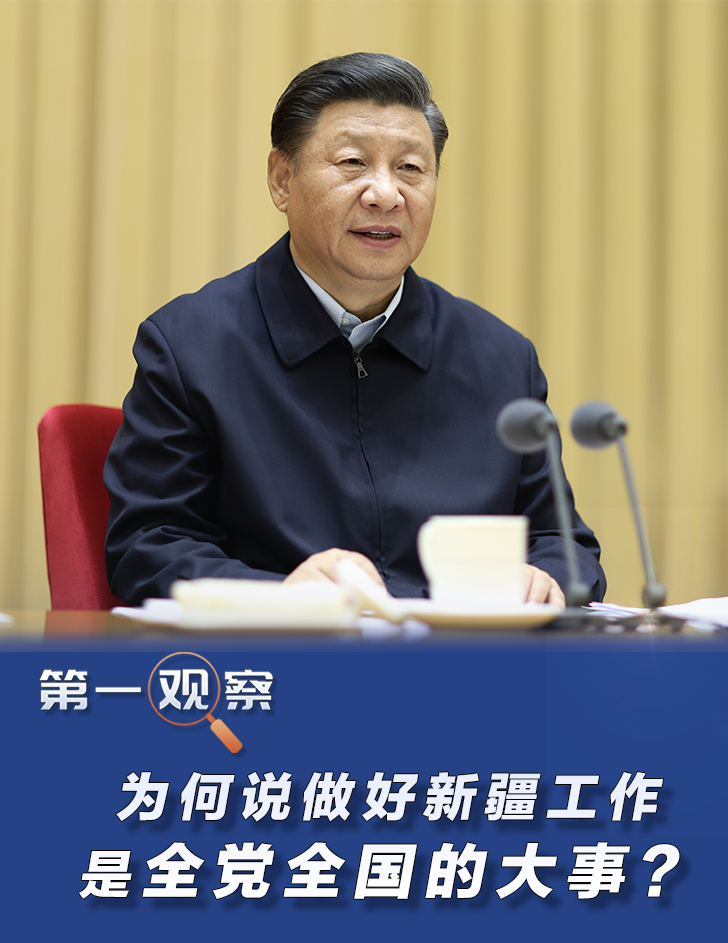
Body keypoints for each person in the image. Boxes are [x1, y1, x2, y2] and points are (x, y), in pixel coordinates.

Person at [105, 52, 605, 608]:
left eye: (411, 169)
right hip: (288, 651)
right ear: (282, 180)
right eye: (352, 162)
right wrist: (282, 595)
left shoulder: (502, 360)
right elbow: (150, 546)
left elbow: (562, 540)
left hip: (461, 654)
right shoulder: (191, 347)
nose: (386, 194)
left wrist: (546, 577)